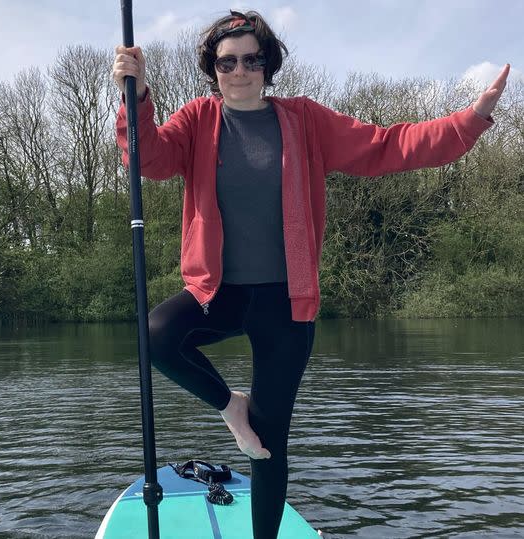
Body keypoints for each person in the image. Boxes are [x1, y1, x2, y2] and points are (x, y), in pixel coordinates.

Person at [112, 8, 509, 539]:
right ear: (213, 70)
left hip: (286, 304)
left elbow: (387, 146)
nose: (240, 70)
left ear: (268, 64)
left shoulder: (304, 120)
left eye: (252, 59)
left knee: (270, 441)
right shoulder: (198, 120)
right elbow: (149, 159)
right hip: (219, 292)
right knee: (155, 334)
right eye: (227, 62)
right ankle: (234, 409)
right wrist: (135, 98)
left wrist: (470, 119)